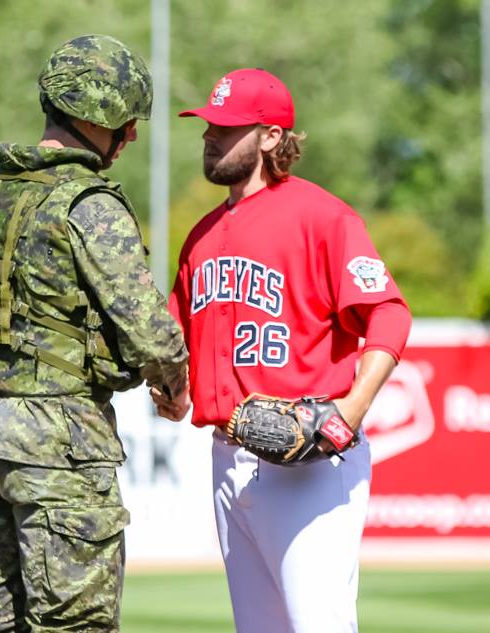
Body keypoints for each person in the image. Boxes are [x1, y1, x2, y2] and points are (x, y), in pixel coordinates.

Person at [0, 34, 189, 633]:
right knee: (73, 625)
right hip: (60, 443)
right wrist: (173, 387)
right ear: (99, 115)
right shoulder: (89, 205)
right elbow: (151, 331)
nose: (132, 137)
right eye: (127, 122)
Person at [152, 68, 412, 633]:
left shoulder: (323, 217)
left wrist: (352, 409)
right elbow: (177, 338)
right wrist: (172, 387)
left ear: (271, 137)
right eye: (208, 126)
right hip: (227, 458)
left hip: (310, 463)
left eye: (226, 127)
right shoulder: (199, 236)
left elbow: (389, 311)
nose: (210, 136)